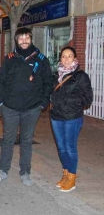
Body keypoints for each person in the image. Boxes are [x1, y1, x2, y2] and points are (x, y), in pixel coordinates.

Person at [0, 27, 53, 186]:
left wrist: (43, 103)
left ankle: (25, 172)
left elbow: (48, 82)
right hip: (10, 108)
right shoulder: (10, 58)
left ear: (31, 39)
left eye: (27, 37)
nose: (24, 41)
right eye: (21, 38)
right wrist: (2, 102)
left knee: (26, 141)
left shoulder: (41, 59)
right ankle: (3, 170)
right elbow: (2, 81)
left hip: (32, 108)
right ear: (16, 40)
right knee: (8, 140)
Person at [50, 46, 93, 192]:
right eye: (63, 56)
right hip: (56, 116)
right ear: (60, 58)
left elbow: (87, 99)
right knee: (61, 148)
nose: (66, 59)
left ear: (74, 58)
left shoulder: (81, 76)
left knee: (70, 147)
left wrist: (67, 101)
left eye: (69, 56)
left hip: (72, 117)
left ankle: (72, 178)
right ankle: (66, 173)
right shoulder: (56, 75)